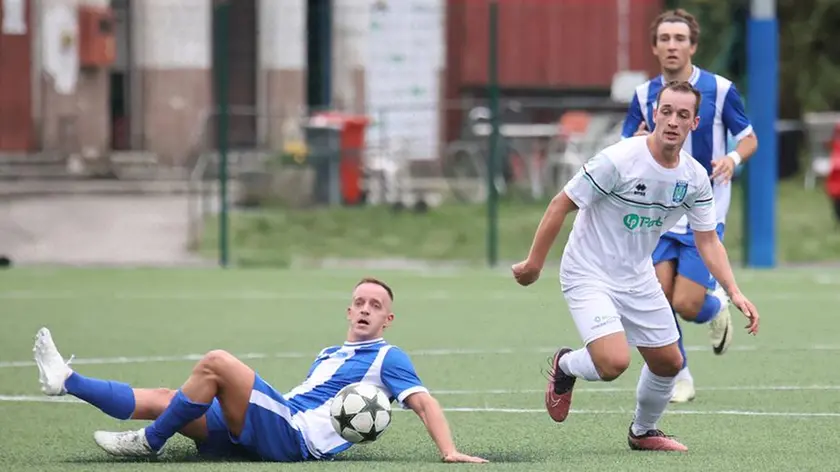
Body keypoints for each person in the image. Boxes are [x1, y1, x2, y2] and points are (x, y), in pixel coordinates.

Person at [512, 81, 760, 452]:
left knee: (669, 362)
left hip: (636, 274)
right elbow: (560, 203)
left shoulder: (692, 177)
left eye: (683, 115)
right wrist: (534, 263)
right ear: (653, 114)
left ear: (694, 124)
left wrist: (735, 291)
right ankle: (566, 366)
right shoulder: (618, 160)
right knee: (613, 362)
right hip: (588, 271)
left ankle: (643, 431)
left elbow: (707, 239)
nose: (672, 120)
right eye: (666, 111)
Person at [32, 277, 488, 464]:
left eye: (377, 306)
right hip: (275, 428)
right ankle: (67, 381)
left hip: (294, 436)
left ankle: (150, 442)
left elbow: (423, 402)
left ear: (388, 320)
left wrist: (449, 451)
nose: (366, 310)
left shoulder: (390, 356)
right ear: (348, 310)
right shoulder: (331, 351)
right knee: (167, 398)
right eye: (361, 303)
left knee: (217, 362)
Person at [621, 9, 759, 403]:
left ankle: (713, 308)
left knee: (686, 302)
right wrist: (638, 140)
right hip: (658, 217)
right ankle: (680, 373)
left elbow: (748, 138)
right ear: (654, 47)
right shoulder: (644, 96)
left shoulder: (720, 89)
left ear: (692, 46)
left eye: (679, 38)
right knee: (658, 297)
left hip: (704, 213)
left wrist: (732, 160)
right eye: (664, 39)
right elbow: (626, 142)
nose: (671, 45)